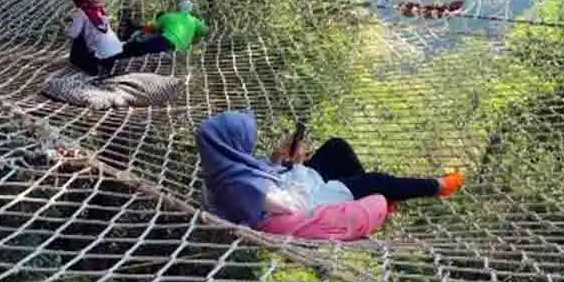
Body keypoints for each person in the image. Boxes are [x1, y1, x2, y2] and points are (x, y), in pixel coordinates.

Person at [196, 111, 464, 229]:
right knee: (377, 180)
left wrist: (279, 159)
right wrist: (298, 166)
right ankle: (438, 187)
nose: (249, 144)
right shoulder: (243, 187)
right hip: (315, 199)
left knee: (336, 147)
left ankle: (372, 190)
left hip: (291, 180)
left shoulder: (225, 169)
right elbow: (294, 205)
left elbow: (265, 177)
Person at [66, 0, 123, 76]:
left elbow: (73, 34)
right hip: (118, 51)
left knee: (78, 40)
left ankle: (94, 68)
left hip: (103, 57)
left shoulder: (79, 13)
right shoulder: (98, 7)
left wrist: (66, 26)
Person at [121, 0, 208, 58]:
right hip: (178, 53)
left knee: (132, 47)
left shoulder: (168, 16)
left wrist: (139, 27)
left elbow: (151, 27)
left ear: (177, 8)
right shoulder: (194, 21)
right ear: (190, 10)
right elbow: (205, 30)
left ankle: (113, 58)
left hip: (165, 43)